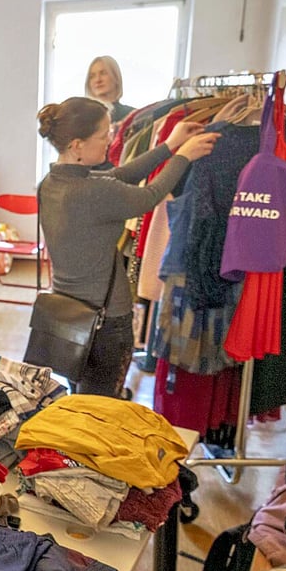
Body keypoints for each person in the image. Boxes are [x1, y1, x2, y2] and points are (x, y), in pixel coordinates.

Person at [35, 96, 219, 397]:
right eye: (104, 135)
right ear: (77, 145)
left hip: (67, 317)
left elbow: (119, 176)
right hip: (106, 321)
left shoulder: (51, 183)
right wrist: (183, 156)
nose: (110, 140)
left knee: (81, 399)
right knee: (101, 408)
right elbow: (150, 195)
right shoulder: (95, 192)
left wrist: (169, 145)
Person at [85, 55, 135, 125]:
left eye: (103, 73)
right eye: (92, 76)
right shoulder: (82, 117)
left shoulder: (133, 116)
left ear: (116, 77)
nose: (98, 80)